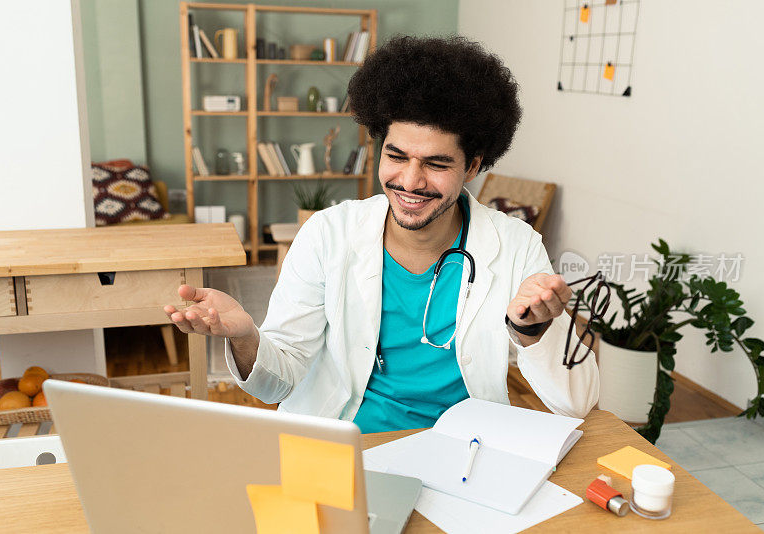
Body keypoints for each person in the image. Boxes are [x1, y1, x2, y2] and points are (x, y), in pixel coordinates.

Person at [164, 35, 598, 433]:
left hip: (464, 450)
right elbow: (277, 383)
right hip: (350, 442)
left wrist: (534, 333)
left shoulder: (517, 246)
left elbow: (577, 403)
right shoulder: (327, 234)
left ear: (472, 166)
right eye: (396, 156)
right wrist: (244, 335)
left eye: (436, 163)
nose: (410, 181)